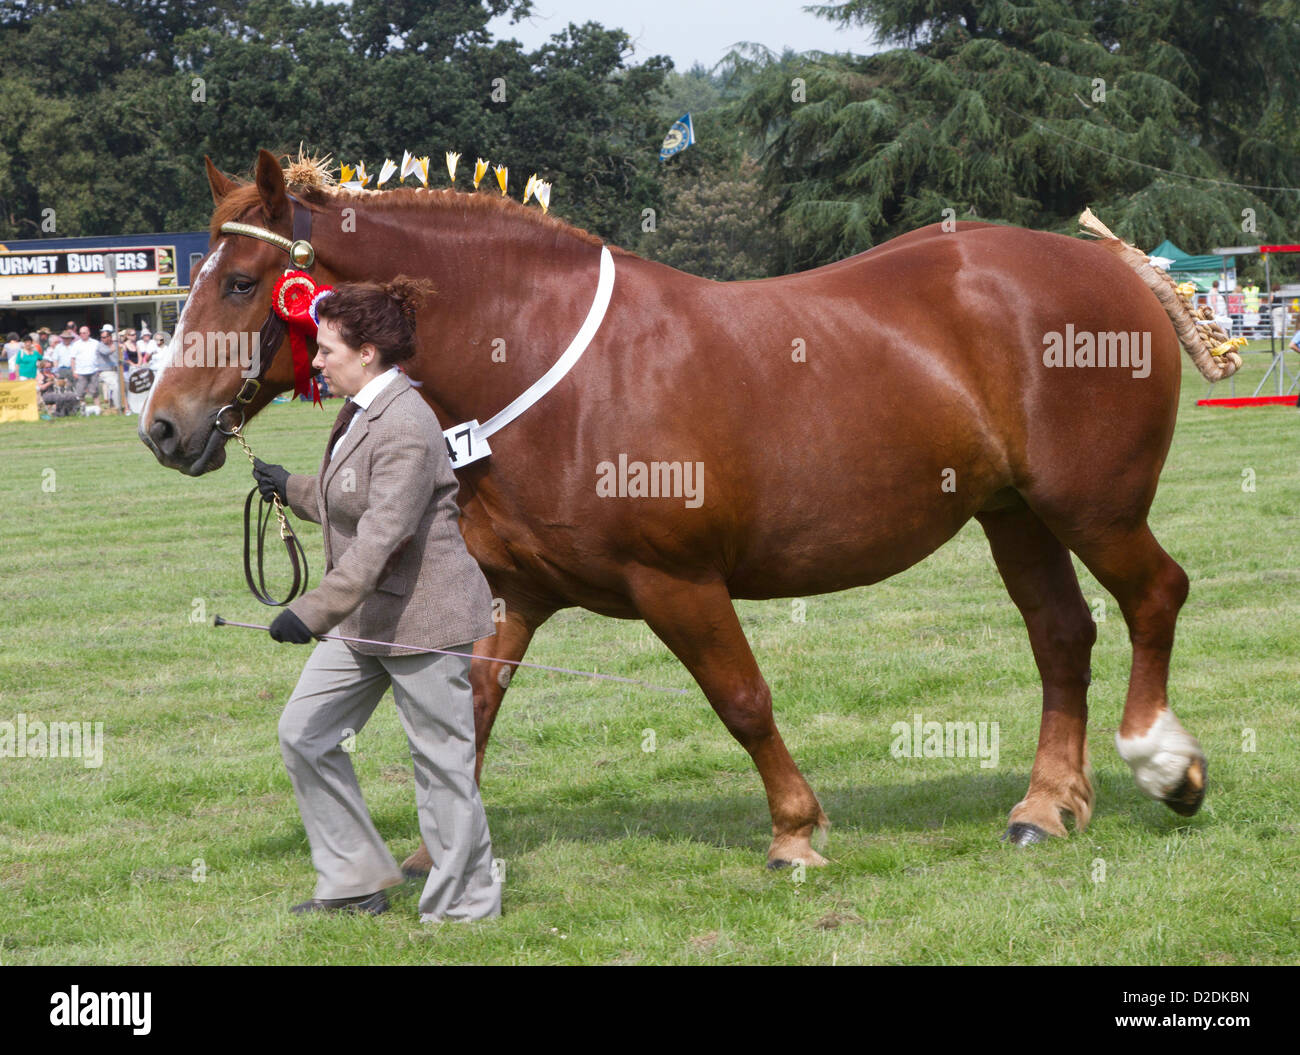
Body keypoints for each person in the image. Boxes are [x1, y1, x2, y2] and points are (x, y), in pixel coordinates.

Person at [251, 277, 501, 922]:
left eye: (327, 349)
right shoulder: (364, 411)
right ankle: (355, 880)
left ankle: (466, 907)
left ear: (367, 353)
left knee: (443, 766)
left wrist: (310, 612)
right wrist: (293, 487)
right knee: (305, 733)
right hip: (365, 617)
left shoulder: (407, 424)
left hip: (423, 617)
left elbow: (382, 535)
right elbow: (356, 498)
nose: (316, 361)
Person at [69, 325, 100, 404]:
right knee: (80, 392)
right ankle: (83, 409)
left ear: (89, 333)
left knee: (95, 391)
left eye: (84, 333)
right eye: (80, 333)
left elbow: (100, 357)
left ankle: (98, 408)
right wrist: (74, 371)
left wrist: (99, 369)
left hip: (94, 370)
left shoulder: (95, 343)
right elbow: (72, 359)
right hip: (80, 371)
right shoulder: (76, 344)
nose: (82, 334)